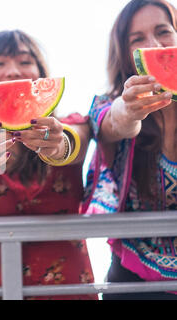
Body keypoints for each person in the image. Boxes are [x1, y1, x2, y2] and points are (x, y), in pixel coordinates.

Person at [0, 30, 97, 300]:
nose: (13, 72)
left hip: (69, 290)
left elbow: (77, 141)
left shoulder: (70, 124)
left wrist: (60, 146)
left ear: (42, 74)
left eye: (25, 62)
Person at [82, 0, 177, 300]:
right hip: (133, 281)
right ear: (123, 52)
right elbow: (114, 122)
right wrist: (128, 111)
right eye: (137, 39)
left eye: (163, 31)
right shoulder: (104, 104)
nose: (153, 44)